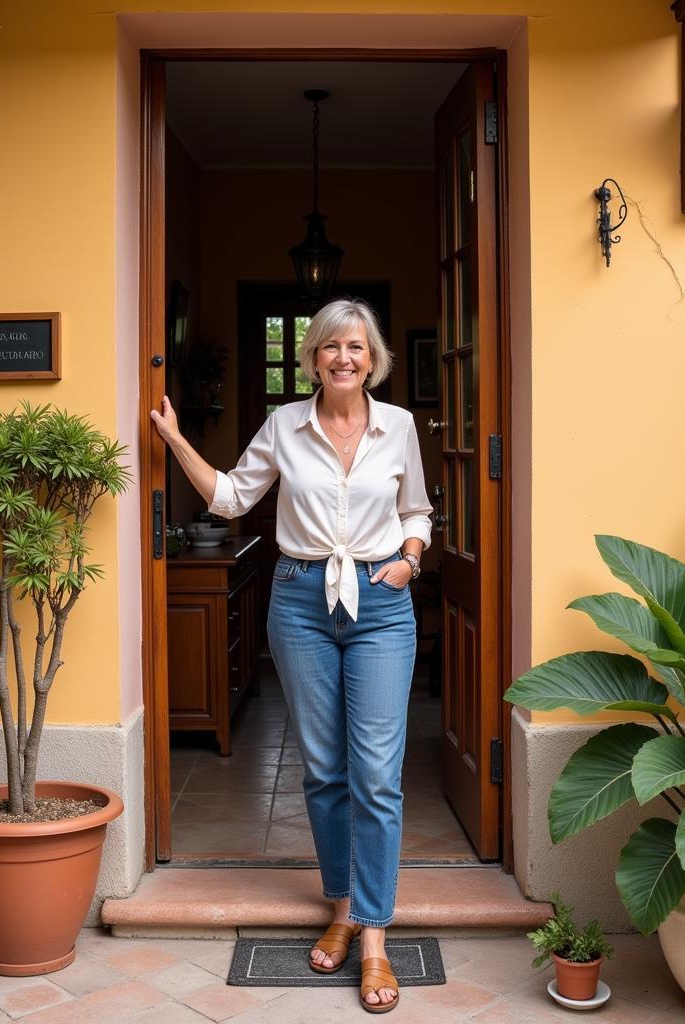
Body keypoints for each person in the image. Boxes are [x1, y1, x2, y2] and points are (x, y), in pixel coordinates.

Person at [151, 298, 433, 1014]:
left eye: (358, 347)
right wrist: (177, 441)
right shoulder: (284, 425)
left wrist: (409, 559)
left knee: (376, 772)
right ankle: (340, 906)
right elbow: (231, 497)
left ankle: (372, 937)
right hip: (302, 599)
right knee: (325, 769)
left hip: (380, 600)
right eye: (332, 346)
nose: (345, 357)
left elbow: (417, 509)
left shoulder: (397, 426)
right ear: (311, 357)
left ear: (374, 360)